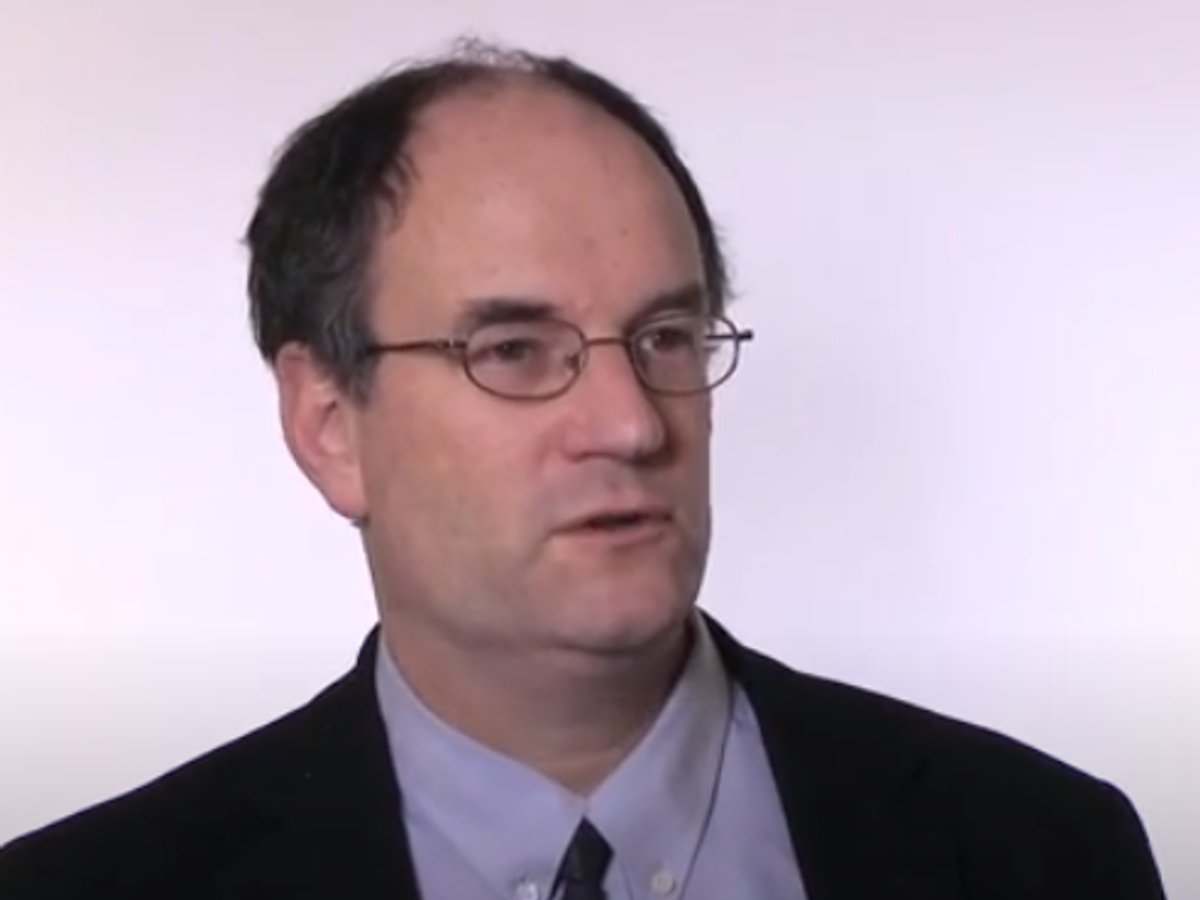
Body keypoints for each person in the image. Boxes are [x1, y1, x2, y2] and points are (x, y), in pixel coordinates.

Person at [0, 39, 1167, 900]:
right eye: (514, 350)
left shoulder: (1045, 851)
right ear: (328, 422)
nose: (630, 424)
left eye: (665, 337)